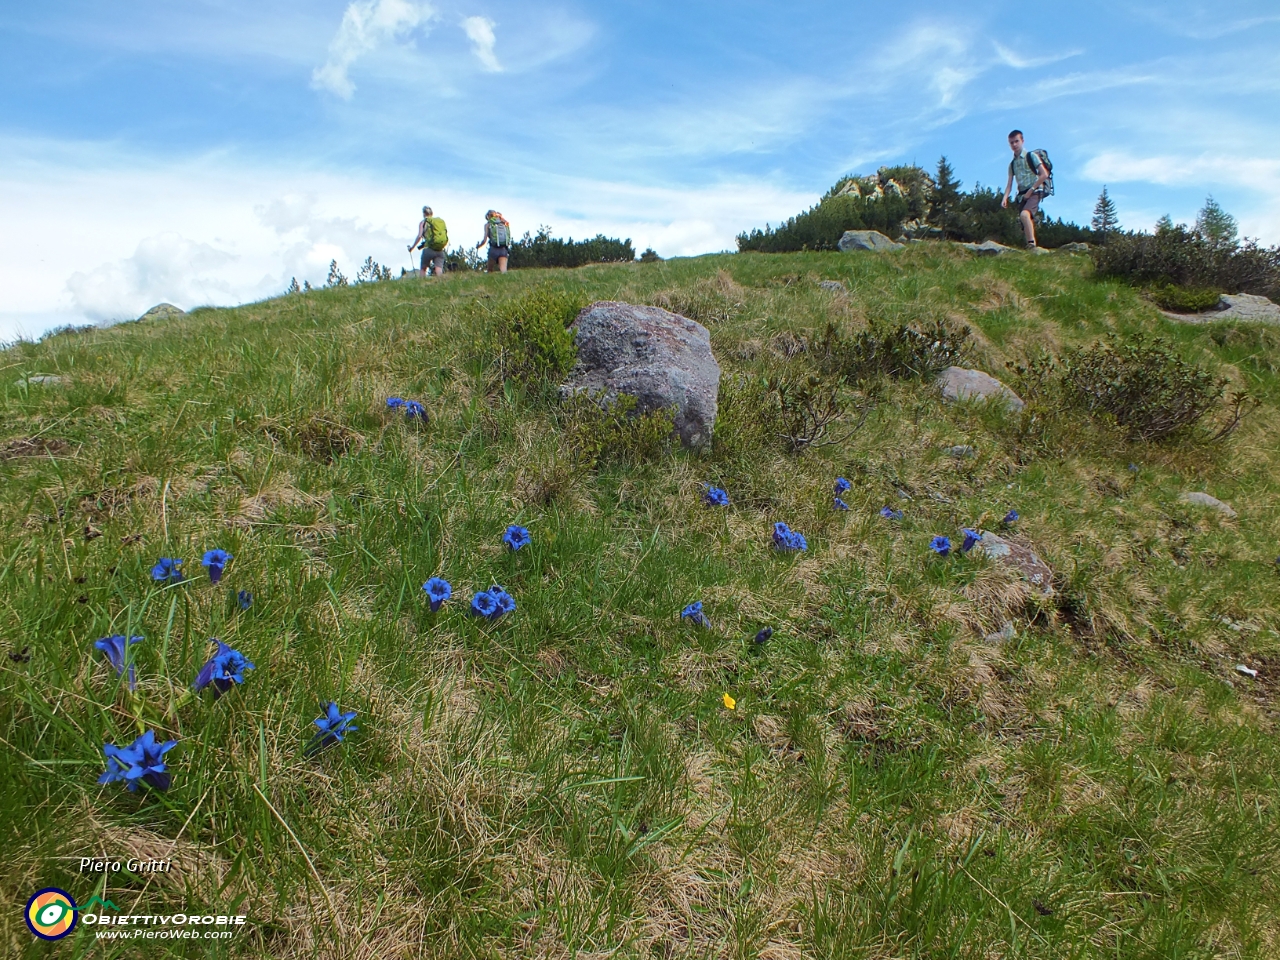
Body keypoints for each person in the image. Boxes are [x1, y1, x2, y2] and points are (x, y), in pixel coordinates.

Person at [1001, 130, 1050, 250]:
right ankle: (1030, 244)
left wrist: (1031, 189)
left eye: (1016, 141)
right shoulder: (1012, 164)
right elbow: (1009, 184)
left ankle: (1031, 245)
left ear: (1022, 141)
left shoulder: (1031, 156)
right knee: (1024, 220)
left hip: (1036, 190)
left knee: (1024, 215)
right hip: (1022, 194)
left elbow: (1044, 174)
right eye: (1011, 143)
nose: (1014, 145)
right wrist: (1005, 197)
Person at [409, 206, 447, 277]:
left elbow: (419, 236)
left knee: (423, 268)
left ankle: (422, 285)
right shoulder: (438, 222)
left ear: (424, 213)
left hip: (428, 248)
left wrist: (412, 248)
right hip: (439, 249)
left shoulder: (423, 222)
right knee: (438, 269)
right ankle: (441, 284)